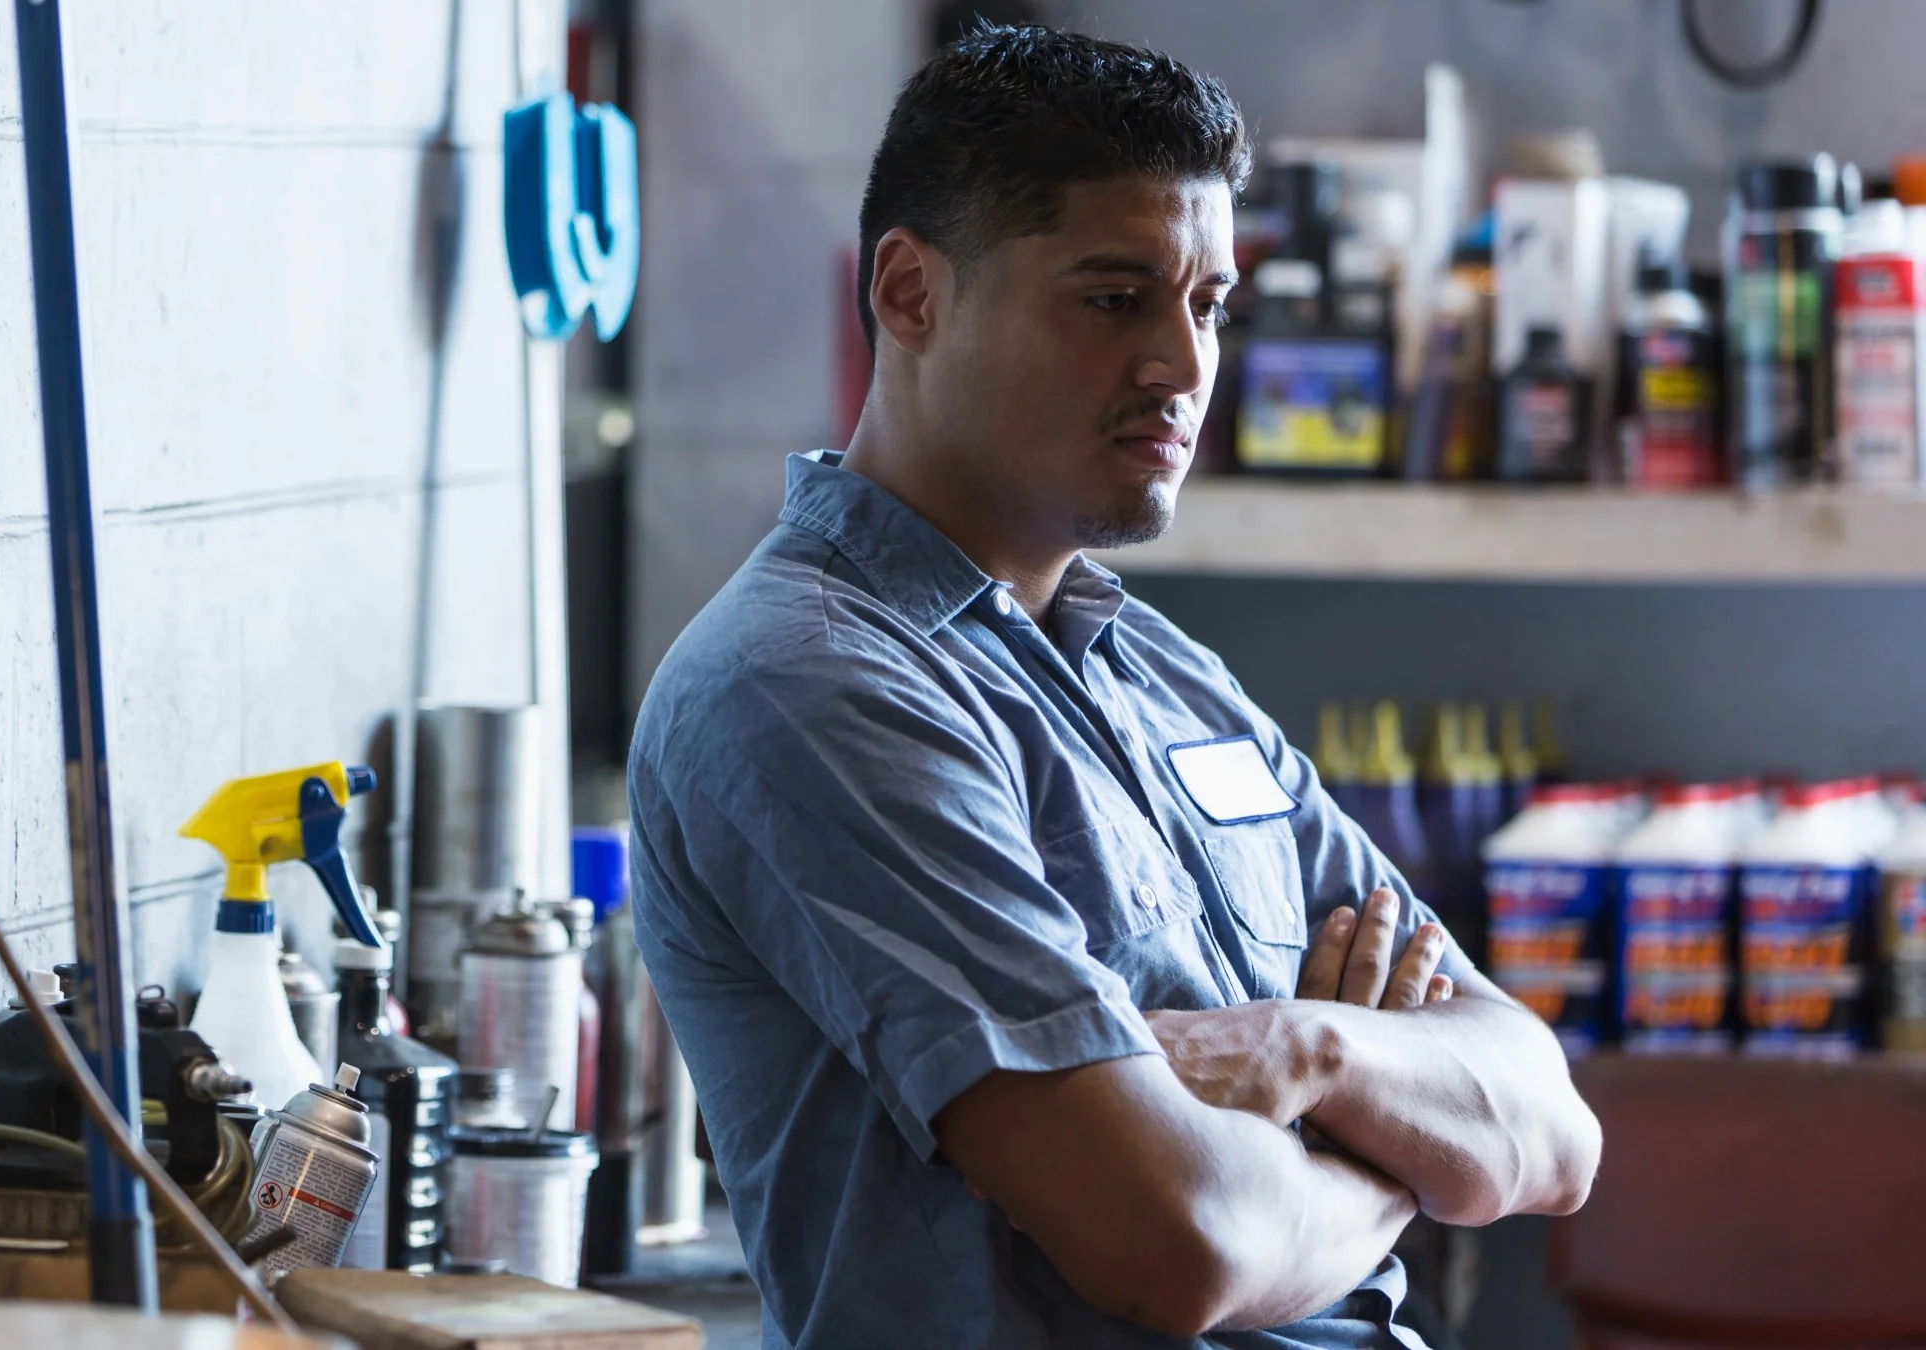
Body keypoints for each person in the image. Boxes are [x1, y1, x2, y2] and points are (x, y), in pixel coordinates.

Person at [626, 25, 1600, 1349]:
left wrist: (1300, 1054)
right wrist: (1401, 1163)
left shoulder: (1163, 675)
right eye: (1113, 296)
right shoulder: (813, 684)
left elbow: (1547, 1130)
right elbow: (1176, 1241)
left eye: (1207, 304)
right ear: (908, 292)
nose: (1186, 367)